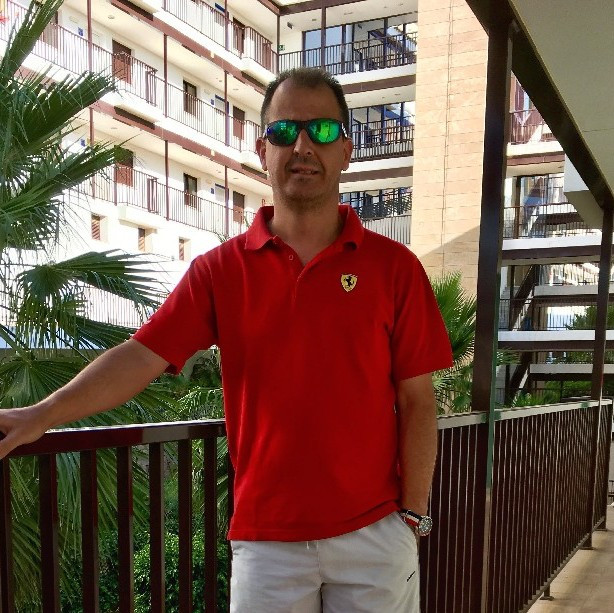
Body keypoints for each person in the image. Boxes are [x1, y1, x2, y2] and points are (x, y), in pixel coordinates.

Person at [0, 68, 453, 612]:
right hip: (267, 542)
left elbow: (417, 400)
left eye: (322, 131)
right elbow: (139, 357)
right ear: (263, 150)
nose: (303, 146)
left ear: (346, 151)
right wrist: (43, 414)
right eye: (284, 131)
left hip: (374, 535)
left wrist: (412, 515)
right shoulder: (219, 271)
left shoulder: (395, 269)